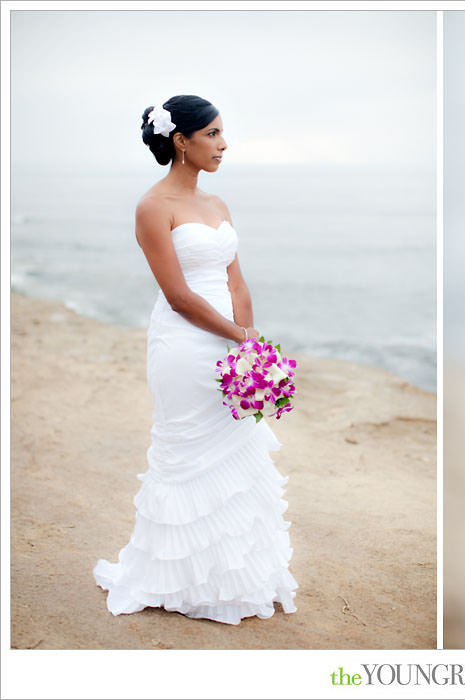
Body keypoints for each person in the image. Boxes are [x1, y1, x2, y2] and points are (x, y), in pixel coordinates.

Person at [93, 95, 298, 625]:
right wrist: (236, 334)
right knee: (185, 452)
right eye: (211, 134)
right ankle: (176, 579)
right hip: (183, 344)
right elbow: (179, 295)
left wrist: (250, 343)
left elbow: (236, 279)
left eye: (223, 133)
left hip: (230, 337)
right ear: (180, 141)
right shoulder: (152, 207)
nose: (223, 144)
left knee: (238, 452)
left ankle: (236, 575)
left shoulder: (218, 206)